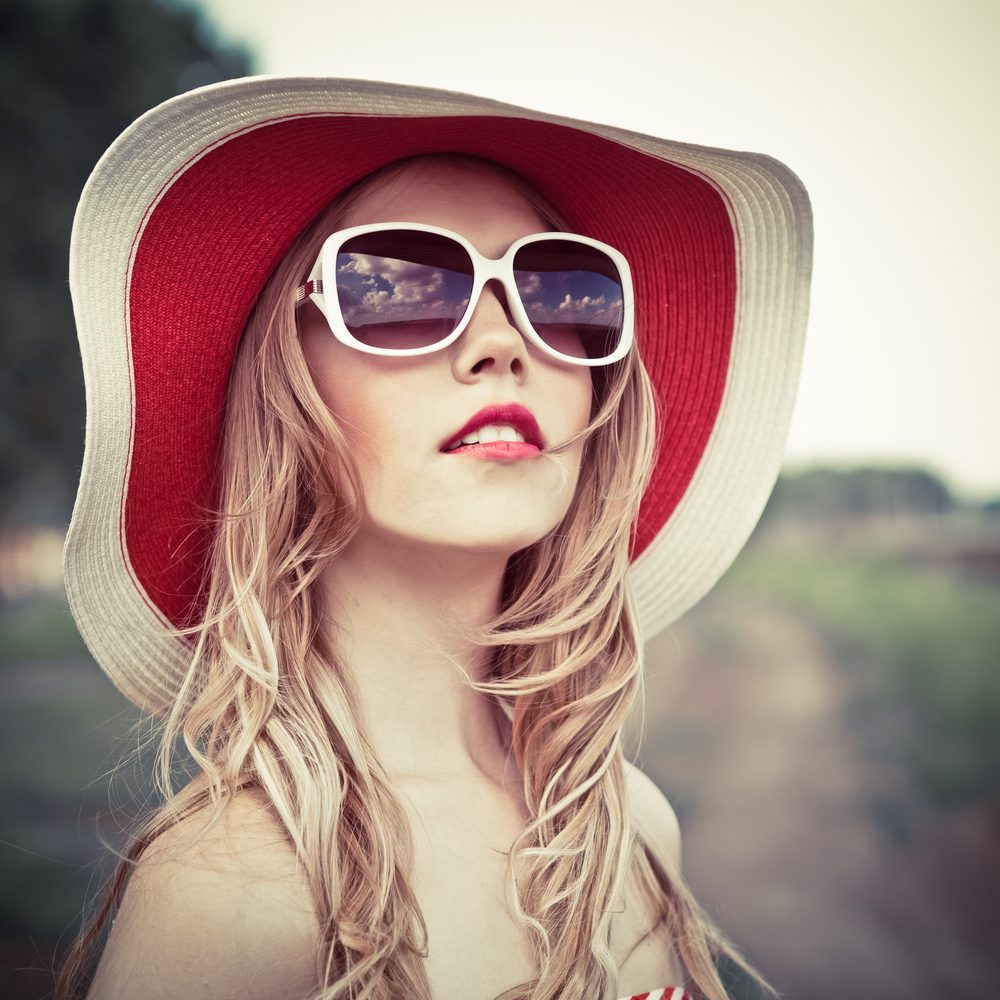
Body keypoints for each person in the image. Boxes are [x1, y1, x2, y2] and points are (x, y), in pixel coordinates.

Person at [56, 78, 812, 1000]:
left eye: (559, 288)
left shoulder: (632, 828)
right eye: (399, 286)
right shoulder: (229, 897)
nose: (503, 342)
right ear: (286, 390)